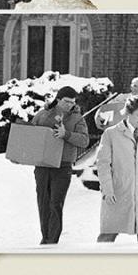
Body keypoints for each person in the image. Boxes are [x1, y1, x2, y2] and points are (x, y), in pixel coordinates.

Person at [29, 86, 90, 244]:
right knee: (43, 202)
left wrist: (66, 134)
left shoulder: (78, 119)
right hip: (42, 165)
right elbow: (29, 133)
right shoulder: (42, 115)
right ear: (58, 99)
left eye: (72, 102)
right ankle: (45, 237)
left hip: (63, 167)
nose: (70, 105)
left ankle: (51, 241)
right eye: (66, 101)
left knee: (55, 203)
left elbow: (84, 141)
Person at [96, 95, 138, 243]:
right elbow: (103, 165)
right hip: (118, 193)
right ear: (128, 113)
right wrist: (107, 190)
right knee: (107, 237)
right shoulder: (111, 134)